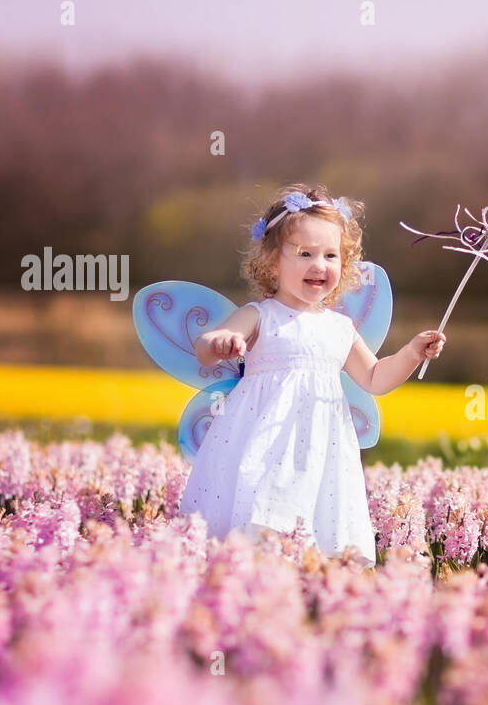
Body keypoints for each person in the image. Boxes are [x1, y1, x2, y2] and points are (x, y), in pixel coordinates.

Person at [177, 183, 445, 565]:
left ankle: (306, 588)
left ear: (344, 265)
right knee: (258, 510)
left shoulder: (339, 327)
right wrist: (221, 339)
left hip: (320, 448)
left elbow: (375, 378)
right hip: (263, 442)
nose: (319, 265)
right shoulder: (260, 315)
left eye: (331, 255)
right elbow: (206, 348)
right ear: (272, 263)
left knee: (313, 520)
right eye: (305, 253)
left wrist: (412, 352)